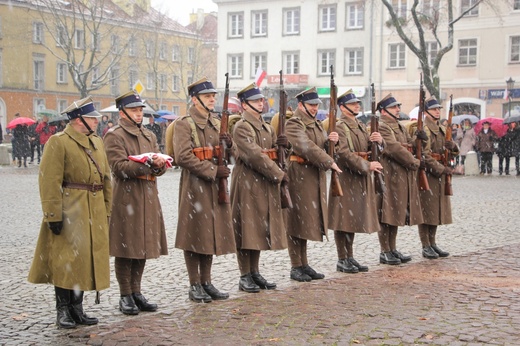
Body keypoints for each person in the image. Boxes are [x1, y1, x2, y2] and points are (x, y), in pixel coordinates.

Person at [27, 97, 112, 329]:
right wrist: (52, 215)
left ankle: (77, 308)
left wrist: (106, 209)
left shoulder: (96, 142)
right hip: (70, 208)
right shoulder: (59, 142)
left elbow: (106, 179)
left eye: (95, 118)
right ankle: (63, 310)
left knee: (85, 260)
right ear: (78, 120)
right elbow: (49, 181)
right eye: (92, 118)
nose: (96, 122)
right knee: (67, 260)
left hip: (94, 209)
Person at [103, 90, 168, 315]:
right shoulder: (114, 135)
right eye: (134, 110)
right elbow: (118, 167)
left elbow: (160, 165)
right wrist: (148, 164)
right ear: (122, 112)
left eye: (140, 110)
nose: (139, 114)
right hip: (126, 197)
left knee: (143, 247)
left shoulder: (148, 135)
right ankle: (125, 294)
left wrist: (159, 165)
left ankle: (137, 291)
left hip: (148, 196)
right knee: (126, 248)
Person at [173, 77, 236, 303]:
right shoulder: (185, 123)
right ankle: (194, 284)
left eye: (213, 96)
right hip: (196, 186)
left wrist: (229, 144)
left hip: (214, 186)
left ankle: (207, 282)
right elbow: (182, 156)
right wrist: (211, 170)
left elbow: (230, 154)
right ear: (195, 99)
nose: (212, 99)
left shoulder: (218, 122)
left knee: (210, 234)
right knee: (195, 234)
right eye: (208, 96)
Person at [230, 83, 288, 293]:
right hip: (247, 182)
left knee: (257, 229)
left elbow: (273, 153)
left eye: (261, 100)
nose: (261, 103)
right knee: (246, 229)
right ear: (244, 105)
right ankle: (244, 274)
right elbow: (254, 155)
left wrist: (284, 146)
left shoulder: (266, 127)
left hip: (263, 182)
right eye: (256, 101)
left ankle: (254, 271)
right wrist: (278, 175)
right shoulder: (242, 127)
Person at [284, 87, 342, 282]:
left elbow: (319, 145)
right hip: (299, 175)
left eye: (317, 105)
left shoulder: (316, 124)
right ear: (301, 105)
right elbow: (305, 146)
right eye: (311, 105)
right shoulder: (294, 123)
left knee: (306, 220)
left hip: (313, 175)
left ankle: (303, 263)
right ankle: (295, 265)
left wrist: (332, 141)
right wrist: (328, 161)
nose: (315, 108)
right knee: (296, 221)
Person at [328, 90, 383, 273]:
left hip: (358, 176)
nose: (357, 105)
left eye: (357, 103)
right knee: (342, 219)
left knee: (351, 218)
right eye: (352, 104)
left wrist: (378, 142)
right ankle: (342, 258)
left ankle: (349, 257)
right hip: (346, 176)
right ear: (342, 108)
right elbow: (343, 153)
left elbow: (367, 148)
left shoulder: (359, 125)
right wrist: (367, 165)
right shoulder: (340, 126)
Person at [376, 93, 423, 265]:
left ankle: (392, 248)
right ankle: (384, 250)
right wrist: (413, 162)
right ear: (383, 111)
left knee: (395, 212)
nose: (398, 109)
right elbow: (393, 148)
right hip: (390, 173)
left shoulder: (399, 126)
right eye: (394, 107)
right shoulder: (382, 126)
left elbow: (409, 144)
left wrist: (418, 138)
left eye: (398, 107)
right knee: (386, 213)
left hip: (400, 174)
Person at [418, 96, 459, 259]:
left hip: (440, 173)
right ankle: (425, 245)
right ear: (426, 112)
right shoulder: (425, 130)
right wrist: (442, 169)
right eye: (434, 109)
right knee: (427, 211)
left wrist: (453, 147)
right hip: (429, 174)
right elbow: (424, 155)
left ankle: (433, 243)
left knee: (436, 211)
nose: (437, 111)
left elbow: (451, 151)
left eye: (438, 109)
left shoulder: (442, 128)